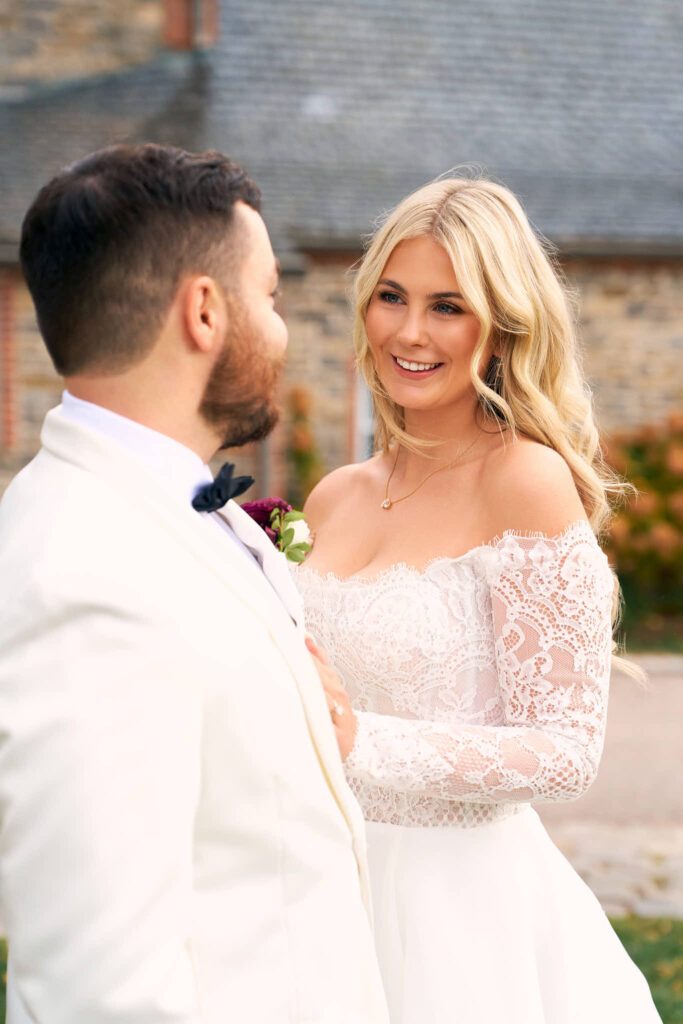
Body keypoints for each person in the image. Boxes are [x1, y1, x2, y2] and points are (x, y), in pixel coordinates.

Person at [0, 144, 389, 1024]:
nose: (283, 330)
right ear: (205, 311)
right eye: (272, 297)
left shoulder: (158, 504)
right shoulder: (84, 578)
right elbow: (100, 991)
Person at [297, 177, 662, 1023]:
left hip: (462, 917)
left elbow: (565, 750)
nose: (409, 331)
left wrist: (363, 742)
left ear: (500, 328)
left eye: (447, 306)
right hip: (324, 888)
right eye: (391, 296)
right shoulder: (332, 498)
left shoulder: (524, 481)